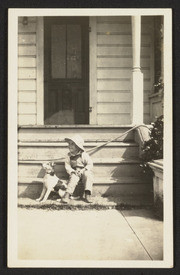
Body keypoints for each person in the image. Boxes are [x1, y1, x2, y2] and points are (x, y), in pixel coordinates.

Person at [61, 134, 93, 204]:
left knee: (88, 175)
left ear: (78, 146)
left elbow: (90, 164)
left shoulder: (83, 155)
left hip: (83, 171)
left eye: (72, 144)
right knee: (74, 177)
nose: (69, 146)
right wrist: (72, 171)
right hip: (75, 172)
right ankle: (67, 194)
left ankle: (87, 194)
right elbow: (67, 166)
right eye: (69, 144)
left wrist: (83, 170)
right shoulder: (68, 156)